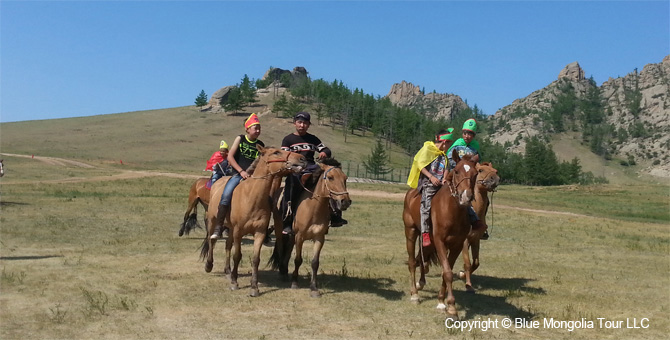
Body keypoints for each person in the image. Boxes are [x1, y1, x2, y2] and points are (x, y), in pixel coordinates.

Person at [280, 111, 346, 235]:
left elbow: (325, 149)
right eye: (299, 122)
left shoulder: (313, 139)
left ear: (309, 125)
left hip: (312, 168)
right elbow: (284, 157)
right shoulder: (288, 139)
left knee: (329, 184)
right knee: (290, 190)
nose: (302, 125)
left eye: (305, 123)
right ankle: (287, 222)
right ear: (295, 123)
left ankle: (335, 215)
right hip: (295, 170)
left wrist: (324, 153)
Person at [210, 113, 264, 239]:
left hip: (253, 177)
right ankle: (219, 226)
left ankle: (263, 228)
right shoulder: (240, 139)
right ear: (247, 129)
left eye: (259, 128)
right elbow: (230, 157)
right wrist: (241, 171)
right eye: (255, 128)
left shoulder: (260, 144)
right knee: (226, 195)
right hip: (237, 175)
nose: (258, 130)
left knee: (266, 198)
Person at [407, 128, 455, 247]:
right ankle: (425, 233)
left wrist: (445, 178)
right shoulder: (428, 149)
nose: (450, 146)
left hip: (442, 185)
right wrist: (431, 177)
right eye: (449, 143)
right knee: (426, 205)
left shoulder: (444, 155)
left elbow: (447, 168)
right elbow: (420, 165)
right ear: (444, 142)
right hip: (428, 184)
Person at [446, 118, 489, 240]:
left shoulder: (475, 147)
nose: (467, 136)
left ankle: (479, 223)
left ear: (474, 135)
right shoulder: (457, 144)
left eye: (470, 134)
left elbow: (477, 163)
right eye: (465, 133)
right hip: (456, 176)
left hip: (469, 178)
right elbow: (449, 160)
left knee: (484, 200)